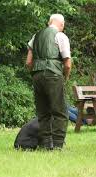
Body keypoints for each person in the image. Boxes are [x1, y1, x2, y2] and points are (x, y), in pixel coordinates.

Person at [26, 14, 72, 150]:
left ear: (49, 22)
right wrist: (65, 76)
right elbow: (67, 63)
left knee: (43, 111)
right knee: (60, 112)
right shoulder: (61, 36)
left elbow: (28, 62)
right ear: (62, 25)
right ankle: (58, 145)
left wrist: (35, 74)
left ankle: (46, 144)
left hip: (37, 75)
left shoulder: (36, 36)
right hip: (53, 75)